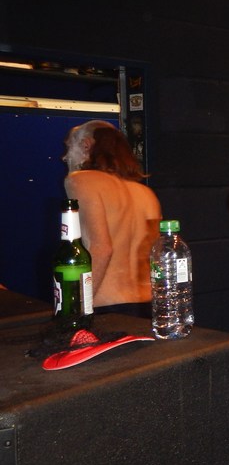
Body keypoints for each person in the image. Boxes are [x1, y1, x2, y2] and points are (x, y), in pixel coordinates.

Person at [62, 120, 162, 317]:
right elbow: (156, 254)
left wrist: (75, 309)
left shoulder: (81, 181)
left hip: (106, 306)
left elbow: (101, 248)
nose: (64, 157)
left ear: (86, 145)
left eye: (68, 147)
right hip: (146, 305)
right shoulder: (146, 193)